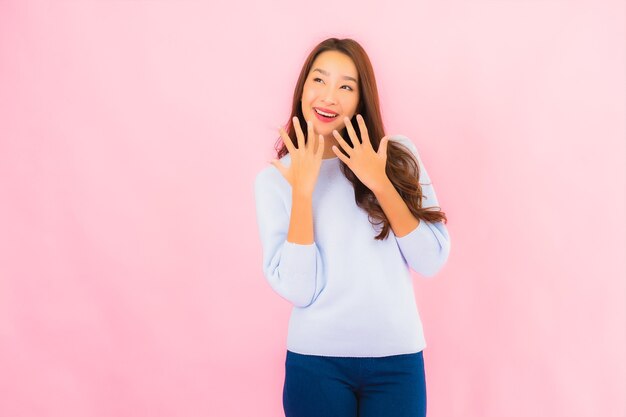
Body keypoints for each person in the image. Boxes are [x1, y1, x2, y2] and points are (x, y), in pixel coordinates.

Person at [254, 37, 450, 417]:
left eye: (346, 86)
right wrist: (303, 193)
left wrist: (380, 182)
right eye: (319, 80)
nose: (329, 97)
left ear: (362, 99)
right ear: (303, 88)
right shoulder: (275, 180)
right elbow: (298, 289)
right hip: (315, 363)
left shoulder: (397, 157)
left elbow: (431, 261)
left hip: (397, 360)